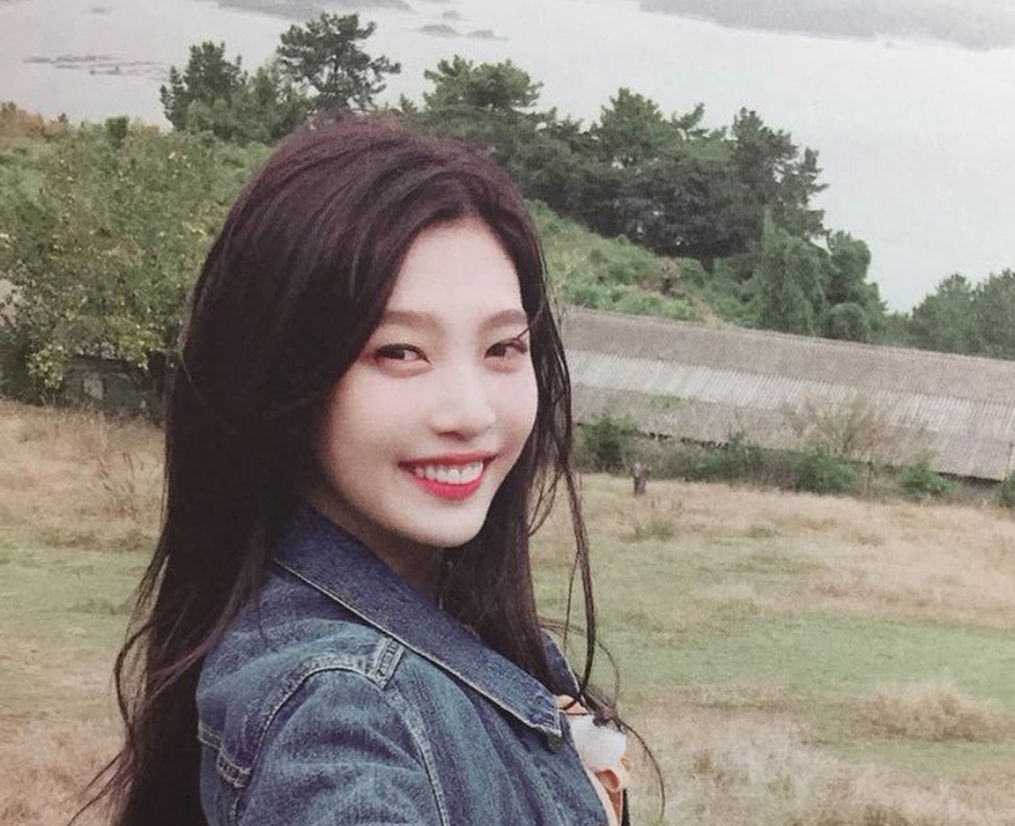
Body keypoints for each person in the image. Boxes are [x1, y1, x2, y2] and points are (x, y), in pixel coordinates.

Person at [93, 116, 633, 826]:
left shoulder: (448, 617)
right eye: (399, 352)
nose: (471, 413)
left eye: (503, 347)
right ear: (282, 371)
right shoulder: (340, 710)